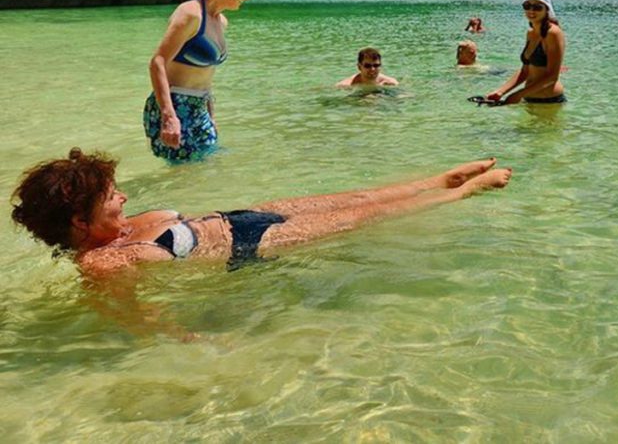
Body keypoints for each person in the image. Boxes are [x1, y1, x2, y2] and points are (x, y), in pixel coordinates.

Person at [10, 148, 512, 278]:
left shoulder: (114, 233)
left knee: (361, 197)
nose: (122, 198)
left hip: (242, 216)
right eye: (111, 197)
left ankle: (438, 179)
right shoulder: (101, 263)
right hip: (251, 245)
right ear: (79, 223)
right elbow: (139, 318)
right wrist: (187, 340)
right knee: (371, 219)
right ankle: (464, 192)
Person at [144, 0, 269, 162]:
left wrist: (211, 115)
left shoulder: (221, 21)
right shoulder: (190, 13)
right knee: (185, 175)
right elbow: (157, 62)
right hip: (175, 106)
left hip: (200, 108)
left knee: (208, 169)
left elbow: (206, 74)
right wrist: (169, 116)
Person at [486, 0, 566, 105]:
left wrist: (518, 94)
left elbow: (552, 77)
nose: (531, 11)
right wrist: (501, 91)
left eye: (537, 7)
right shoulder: (531, 33)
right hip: (528, 99)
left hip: (550, 101)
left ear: (547, 10)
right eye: (527, 6)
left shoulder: (553, 33)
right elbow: (525, 71)